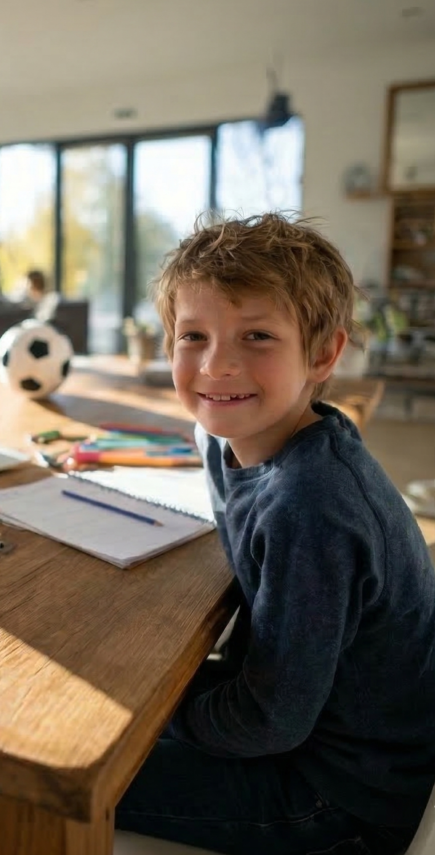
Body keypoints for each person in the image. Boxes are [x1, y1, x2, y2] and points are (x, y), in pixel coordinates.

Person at [115, 213, 435, 855]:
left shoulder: (312, 501)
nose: (216, 365)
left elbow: (267, 722)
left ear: (323, 353)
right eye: (193, 335)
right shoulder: (225, 437)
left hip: (341, 797)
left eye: (257, 335)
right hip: (304, 725)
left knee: (72, 770)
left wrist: (146, 706)